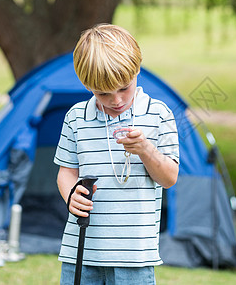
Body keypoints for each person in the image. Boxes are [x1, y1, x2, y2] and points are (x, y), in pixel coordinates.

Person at [54, 24, 179, 285]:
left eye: (124, 88)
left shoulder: (159, 114)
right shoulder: (76, 118)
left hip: (134, 256)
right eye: (103, 93)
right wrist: (71, 196)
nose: (116, 100)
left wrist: (146, 150)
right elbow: (66, 172)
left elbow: (169, 178)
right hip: (81, 250)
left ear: (137, 70)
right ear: (86, 84)